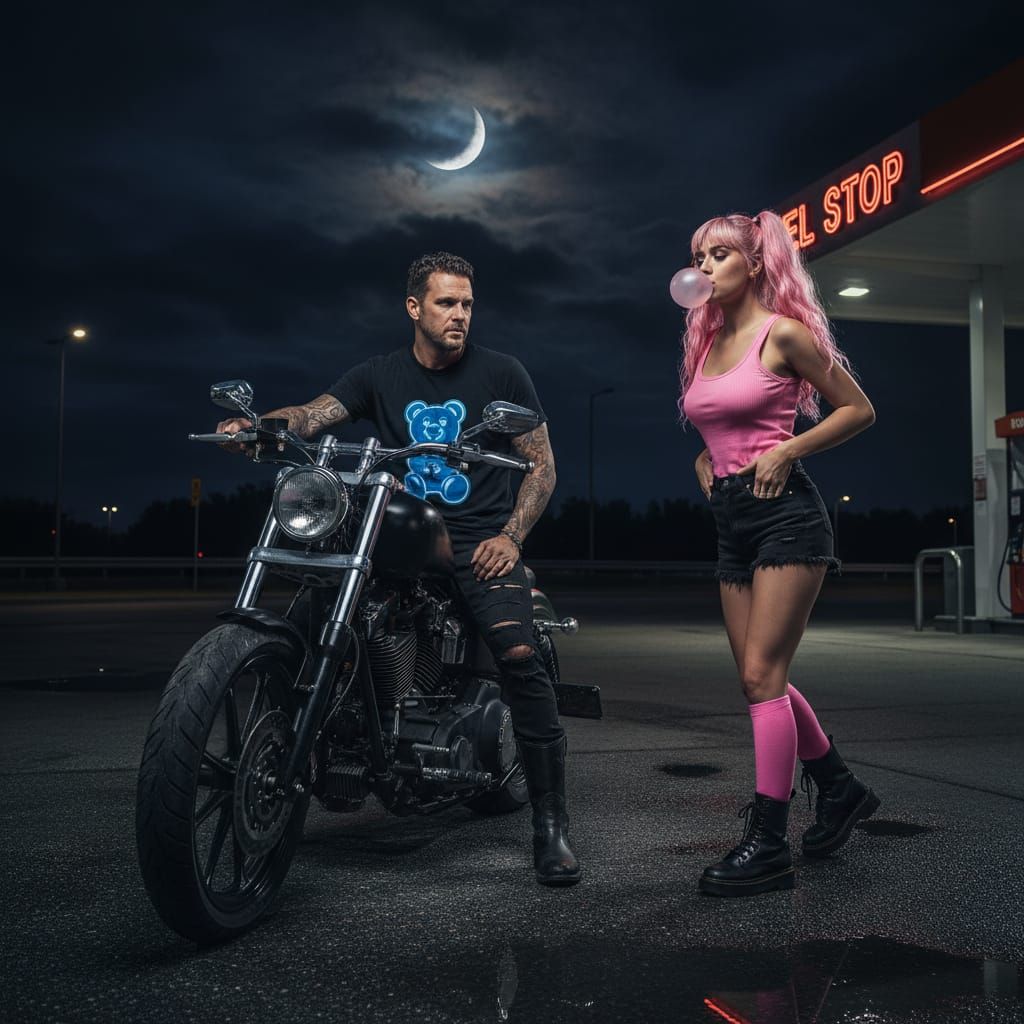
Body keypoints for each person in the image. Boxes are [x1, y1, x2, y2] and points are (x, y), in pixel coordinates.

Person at [216, 251, 580, 887]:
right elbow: (314, 413)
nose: (460, 314)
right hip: (394, 529)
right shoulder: (378, 374)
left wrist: (512, 535)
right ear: (415, 307)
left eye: (467, 303)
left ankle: (551, 825)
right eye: (446, 302)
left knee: (519, 654)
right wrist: (264, 426)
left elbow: (542, 465)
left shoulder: (503, 374)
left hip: (475, 539)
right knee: (311, 610)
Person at [678, 211, 880, 897]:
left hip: (788, 516)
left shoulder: (782, 333)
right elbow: (722, 429)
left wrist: (790, 447)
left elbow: (858, 410)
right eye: (698, 255)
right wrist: (707, 463)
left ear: (756, 263)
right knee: (758, 679)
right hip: (731, 520)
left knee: (762, 678)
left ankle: (768, 843)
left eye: (719, 254)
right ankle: (840, 787)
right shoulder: (707, 343)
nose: (703, 267)